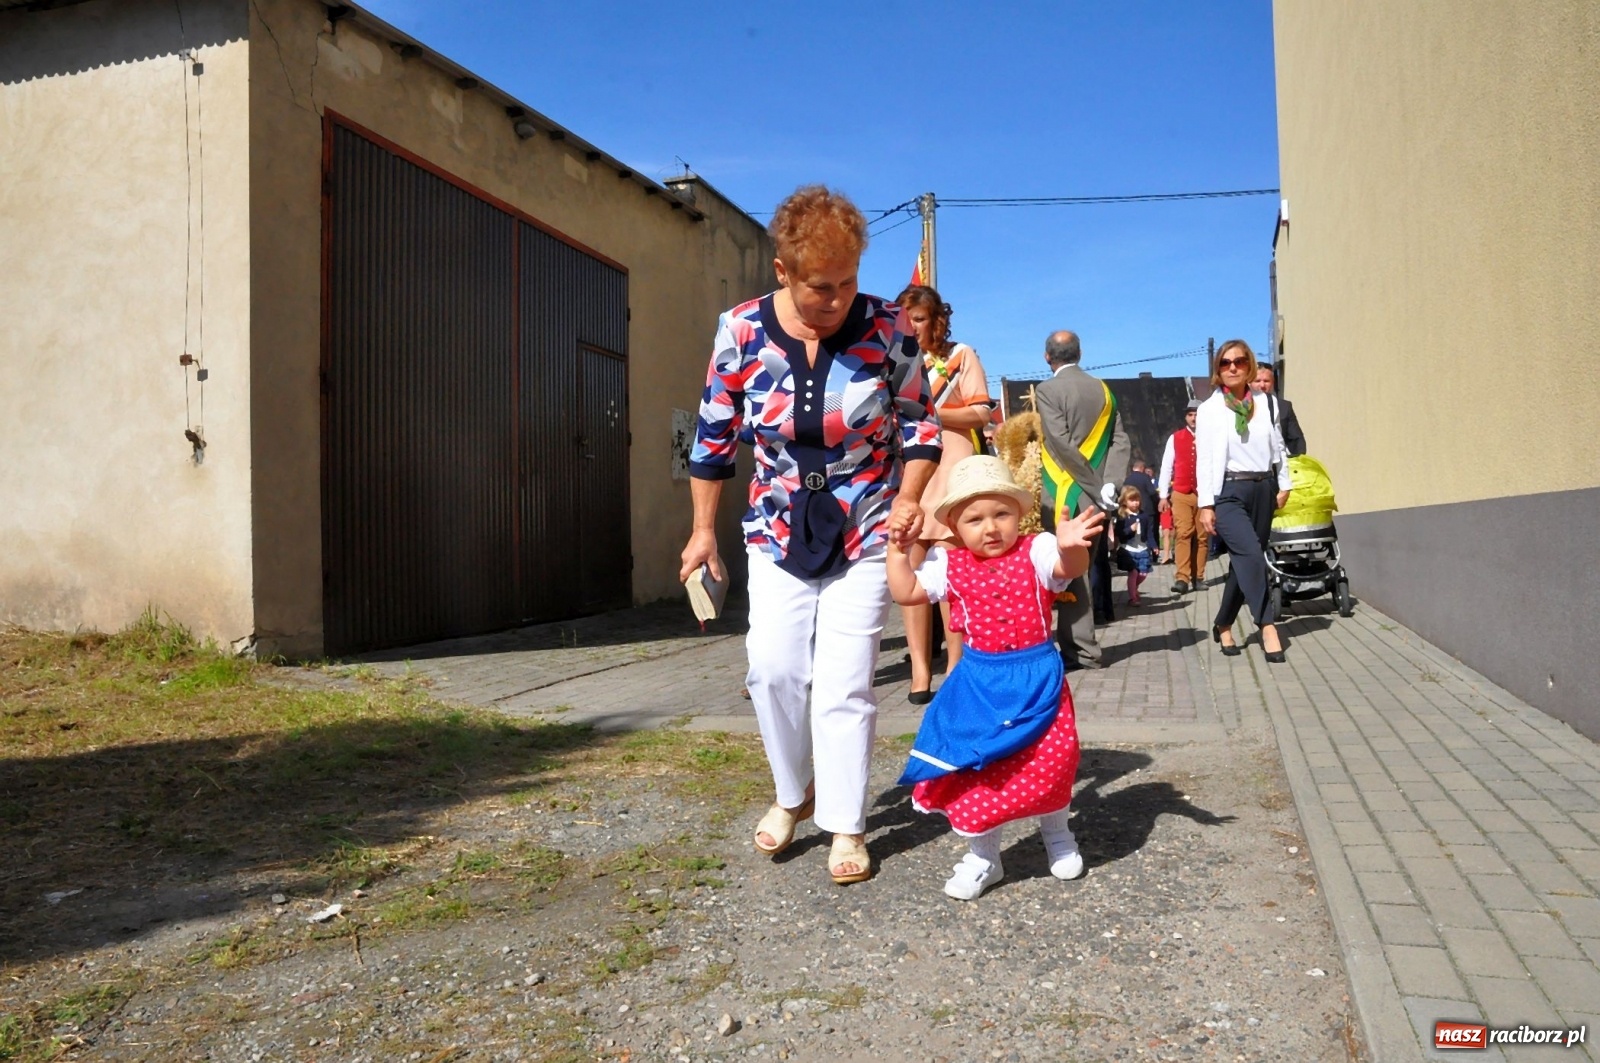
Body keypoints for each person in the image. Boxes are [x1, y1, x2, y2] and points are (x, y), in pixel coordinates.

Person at [680, 186, 941, 885]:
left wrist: (909, 499)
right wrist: (703, 531)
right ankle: (795, 793)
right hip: (775, 525)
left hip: (866, 524)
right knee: (772, 668)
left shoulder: (887, 328)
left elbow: (918, 425)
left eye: (849, 281)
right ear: (782, 271)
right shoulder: (738, 331)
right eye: (821, 286)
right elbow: (712, 439)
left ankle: (848, 823)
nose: (837, 298)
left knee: (846, 682)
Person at [886, 456, 1106, 899]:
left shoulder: (1038, 548)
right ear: (954, 525)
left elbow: (1070, 569)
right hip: (981, 685)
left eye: (1001, 514)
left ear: (1018, 514)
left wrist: (1070, 545)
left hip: (1037, 680)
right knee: (979, 769)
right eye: (975, 519)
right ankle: (985, 856)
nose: (990, 527)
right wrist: (896, 551)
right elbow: (906, 591)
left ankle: (1058, 834)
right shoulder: (950, 564)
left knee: (1052, 760)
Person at [896, 284, 996, 704]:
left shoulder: (960, 356)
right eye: (905, 319)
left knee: (954, 576)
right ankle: (920, 667)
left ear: (935, 320)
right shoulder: (893, 360)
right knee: (911, 570)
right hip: (910, 473)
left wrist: (932, 411)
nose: (911, 326)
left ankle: (956, 664)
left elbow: (981, 411)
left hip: (954, 469)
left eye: (918, 319)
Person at [1033, 331, 1131, 668]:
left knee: (1064, 570)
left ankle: (1079, 650)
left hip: (1062, 497)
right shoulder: (1104, 390)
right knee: (1084, 568)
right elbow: (1121, 441)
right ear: (1080, 353)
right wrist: (1109, 486)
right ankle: (1079, 645)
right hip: (1097, 498)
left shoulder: (1047, 390)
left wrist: (1091, 484)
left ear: (1048, 357)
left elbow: (1059, 444)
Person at [1196, 340, 1292, 662]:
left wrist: (1284, 482)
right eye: (1225, 363)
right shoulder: (1210, 409)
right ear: (1218, 370)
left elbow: (1278, 446)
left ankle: (1223, 623)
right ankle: (1267, 624)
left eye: (1238, 361)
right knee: (1250, 553)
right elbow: (1205, 460)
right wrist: (1205, 504)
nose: (1232, 367)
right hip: (1229, 492)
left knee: (1243, 563)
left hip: (1264, 488)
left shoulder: (1266, 403)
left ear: (1249, 365)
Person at [1158, 399, 1208, 594]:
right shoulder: (1175, 438)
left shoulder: (1210, 437)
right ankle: (1182, 578)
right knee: (1183, 533)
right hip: (1181, 492)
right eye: (1190, 414)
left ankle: (1199, 576)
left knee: (1202, 537)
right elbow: (1166, 466)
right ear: (1185, 417)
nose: (1194, 418)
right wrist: (1163, 495)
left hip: (1204, 493)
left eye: (1197, 414)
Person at [1252, 363, 1306, 457]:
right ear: (1249, 383)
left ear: (1273, 383)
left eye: (1266, 381)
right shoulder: (1239, 406)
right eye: (1257, 381)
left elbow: (1296, 440)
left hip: (1276, 462)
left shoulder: (1284, 407)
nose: (1262, 385)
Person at [1113, 485, 1153, 605]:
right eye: (1132, 500)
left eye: (1137, 500)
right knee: (1133, 572)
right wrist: (1130, 529)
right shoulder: (1122, 516)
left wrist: (1154, 545)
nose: (1135, 503)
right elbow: (1119, 533)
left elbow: (1149, 532)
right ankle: (1133, 598)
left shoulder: (1144, 516)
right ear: (1125, 501)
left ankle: (1133, 587)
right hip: (1128, 549)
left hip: (1142, 548)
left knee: (1143, 573)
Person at [1124, 459, 1160, 553]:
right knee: (1149, 531)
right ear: (1142, 468)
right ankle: (1151, 552)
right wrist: (1156, 501)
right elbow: (1152, 492)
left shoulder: (1127, 479)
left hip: (1131, 509)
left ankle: (1133, 551)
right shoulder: (1145, 477)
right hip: (1147, 509)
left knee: (1132, 530)